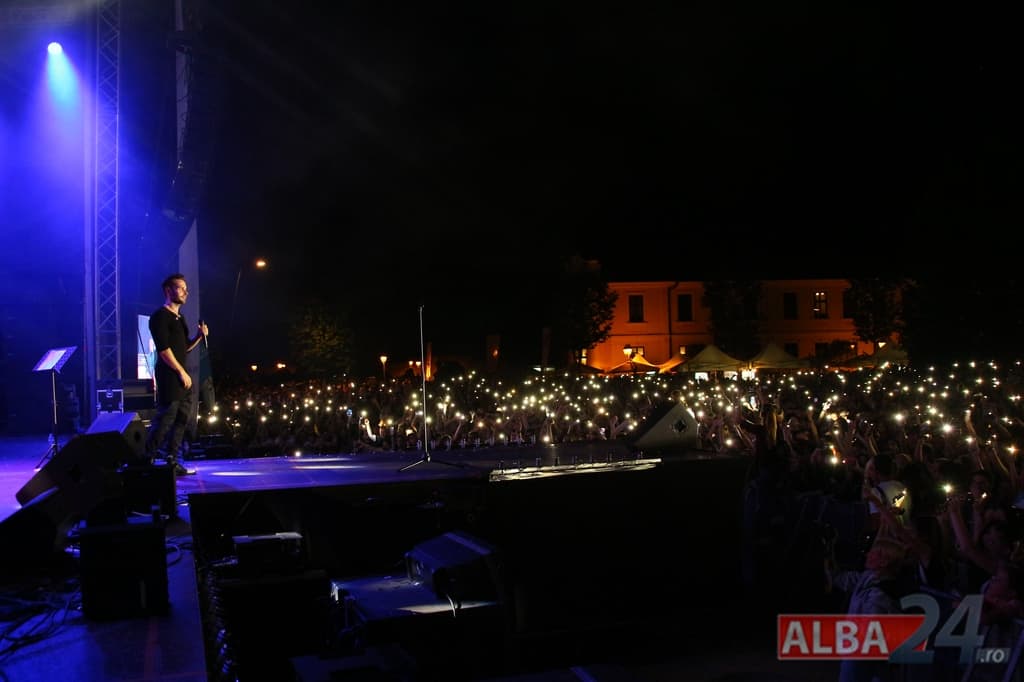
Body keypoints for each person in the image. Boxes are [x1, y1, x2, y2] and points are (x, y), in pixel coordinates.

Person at [145, 273, 207, 476]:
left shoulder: (180, 319)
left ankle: (172, 459)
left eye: (186, 289)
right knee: (166, 417)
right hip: (170, 375)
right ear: (168, 290)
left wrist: (199, 336)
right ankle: (146, 459)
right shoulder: (160, 316)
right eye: (181, 288)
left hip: (182, 376)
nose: (185, 292)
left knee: (182, 419)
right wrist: (180, 371)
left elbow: (184, 347)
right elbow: (164, 350)